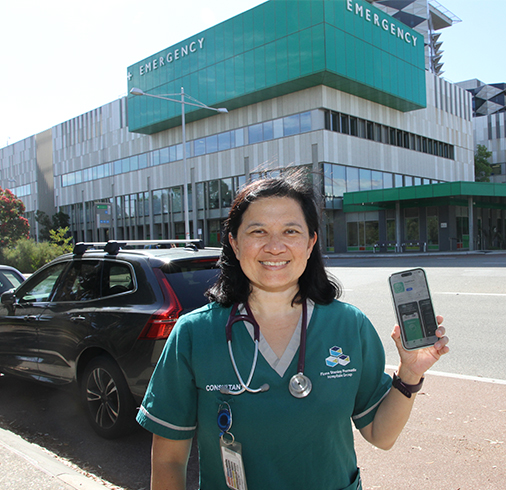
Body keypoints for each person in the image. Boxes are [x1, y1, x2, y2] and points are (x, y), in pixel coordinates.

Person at [137, 170, 449, 490]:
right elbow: (168, 461)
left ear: (311, 241)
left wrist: (410, 374)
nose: (275, 246)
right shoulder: (193, 334)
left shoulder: (349, 327)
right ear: (234, 241)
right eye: (258, 231)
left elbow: (381, 435)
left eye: (290, 231)